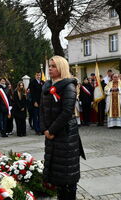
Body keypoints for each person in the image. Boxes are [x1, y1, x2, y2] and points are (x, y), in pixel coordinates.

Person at [40, 55, 85, 200]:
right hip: (51, 135)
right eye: (50, 66)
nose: (50, 69)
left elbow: (67, 112)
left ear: (61, 67)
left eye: (53, 66)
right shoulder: (47, 85)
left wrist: (52, 130)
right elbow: (42, 109)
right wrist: (45, 129)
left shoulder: (68, 86)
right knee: (56, 175)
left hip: (65, 135)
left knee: (67, 175)